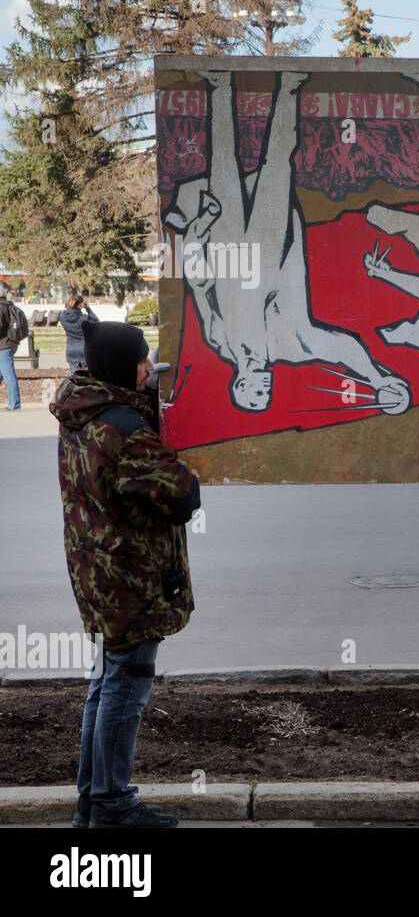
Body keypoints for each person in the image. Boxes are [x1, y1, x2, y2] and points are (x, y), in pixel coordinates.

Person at [50, 320, 200, 828]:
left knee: (106, 682)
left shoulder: (82, 409)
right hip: (130, 581)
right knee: (124, 687)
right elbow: (182, 496)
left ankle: (93, 799)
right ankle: (112, 804)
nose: (148, 366)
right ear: (118, 367)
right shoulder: (123, 430)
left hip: (98, 573)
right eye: (141, 360)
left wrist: (145, 402)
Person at [59, 294, 99, 370]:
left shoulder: (62, 317)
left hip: (71, 348)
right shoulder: (84, 319)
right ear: (81, 304)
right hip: (84, 348)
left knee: (75, 376)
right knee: (86, 377)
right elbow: (95, 321)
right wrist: (88, 309)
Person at [0, 294, 21, 411]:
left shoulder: (0, 308)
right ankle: (14, 402)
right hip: (11, 343)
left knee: (9, 376)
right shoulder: (9, 305)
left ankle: (15, 404)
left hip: (3, 346)